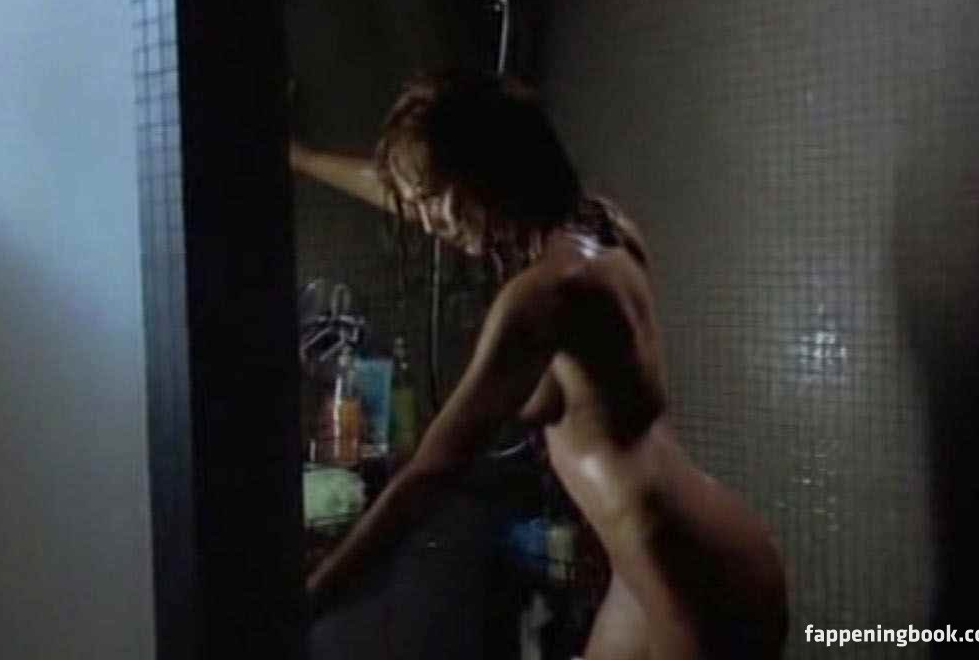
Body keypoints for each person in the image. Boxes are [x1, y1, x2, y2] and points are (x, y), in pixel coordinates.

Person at [291, 69, 788, 659]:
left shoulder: (543, 298)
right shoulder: (602, 228)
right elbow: (408, 191)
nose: (424, 219)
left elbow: (430, 475)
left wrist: (313, 596)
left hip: (693, 582)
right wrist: (300, 157)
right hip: (652, 570)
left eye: (431, 199)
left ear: (484, 177)